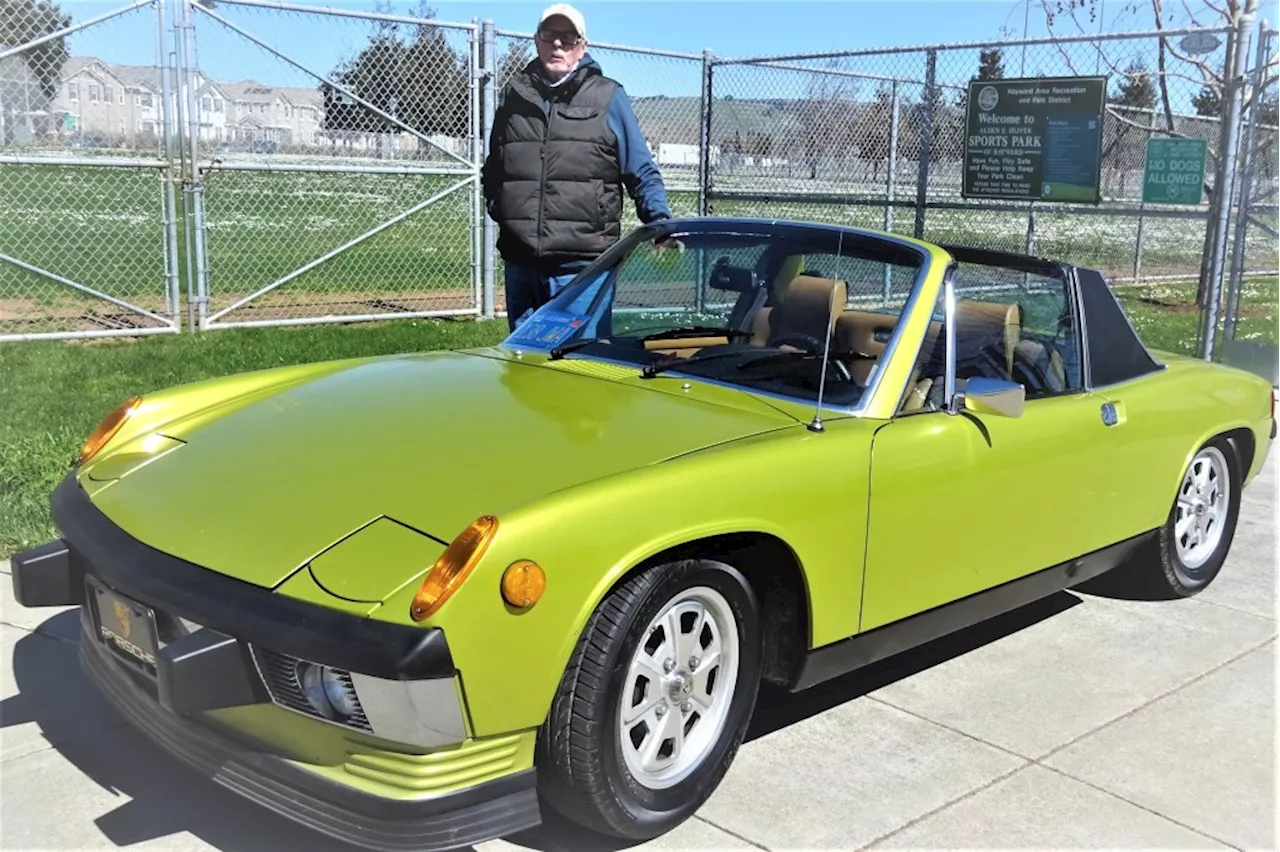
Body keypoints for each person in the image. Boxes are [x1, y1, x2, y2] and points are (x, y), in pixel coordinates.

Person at [482, 3, 672, 330]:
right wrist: (502, 209)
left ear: (581, 46)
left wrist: (660, 223)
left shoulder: (608, 97)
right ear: (537, 40)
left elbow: (640, 169)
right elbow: (494, 168)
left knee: (581, 363)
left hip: (583, 268)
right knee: (523, 368)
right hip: (521, 264)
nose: (558, 44)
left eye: (567, 38)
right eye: (550, 35)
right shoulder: (514, 97)